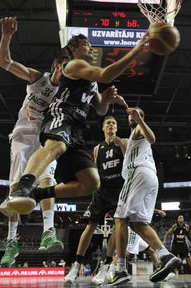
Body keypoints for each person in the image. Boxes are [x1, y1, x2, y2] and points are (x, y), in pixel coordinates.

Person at [2, 31, 149, 215]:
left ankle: (38, 193)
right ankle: (23, 187)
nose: (92, 48)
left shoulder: (91, 82)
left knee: (92, 182)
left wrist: (106, 100)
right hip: (62, 114)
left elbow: (101, 110)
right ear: (74, 49)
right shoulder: (74, 64)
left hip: (77, 128)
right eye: (87, 44)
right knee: (57, 145)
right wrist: (137, 50)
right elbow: (105, 75)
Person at [0, 16, 65, 267]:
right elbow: (4, 61)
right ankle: (11, 242)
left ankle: (48, 231)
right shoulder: (38, 78)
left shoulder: (68, 93)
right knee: (16, 189)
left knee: (47, 182)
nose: (65, 71)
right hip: (23, 135)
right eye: (62, 66)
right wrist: (6, 36)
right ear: (56, 65)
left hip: (46, 140)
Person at [107, 107, 180, 286]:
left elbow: (152, 138)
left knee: (120, 219)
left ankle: (121, 270)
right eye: (131, 116)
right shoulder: (134, 142)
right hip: (150, 178)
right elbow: (126, 150)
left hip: (137, 174)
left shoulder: (139, 129)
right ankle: (165, 255)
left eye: (137, 115)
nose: (131, 117)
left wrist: (139, 118)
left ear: (141, 117)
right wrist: (117, 141)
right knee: (137, 223)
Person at [65, 115, 127, 284]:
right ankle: (76, 265)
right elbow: (94, 169)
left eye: (114, 123)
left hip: (119, 191)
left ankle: (106, 266)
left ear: (117, 127)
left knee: (117, 226)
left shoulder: (123, 143)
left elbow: (129, 164)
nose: (111, 125)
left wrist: (121, 145)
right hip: (101, 191)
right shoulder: (97, 149)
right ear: (103, 128)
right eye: (108, 123)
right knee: (89, 226)